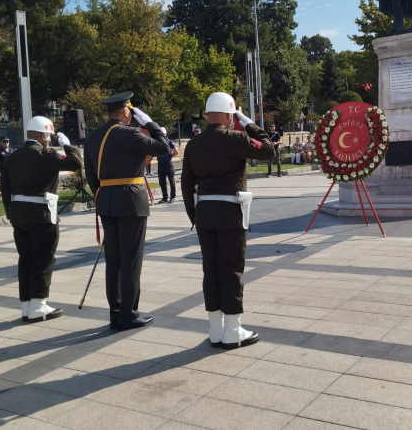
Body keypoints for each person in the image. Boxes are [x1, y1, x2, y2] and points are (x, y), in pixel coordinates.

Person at [181, 92, 275, 349]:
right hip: (230, 212)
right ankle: (233, 330)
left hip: (204, 213)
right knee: (231, 269)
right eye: (232, 116)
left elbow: (187, 183)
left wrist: (194, 215)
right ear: (227, 115)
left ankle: (215, 330)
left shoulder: (193, 144)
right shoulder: (235, 138)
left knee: (210, 270)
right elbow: (268, 150)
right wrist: (248, 123)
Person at [84, 92, 169, 331]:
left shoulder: (93, 136)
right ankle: (129, 314)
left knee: (114, 260)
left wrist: (104, 195)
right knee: (131, 259)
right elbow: (163, 147)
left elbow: (90, 174)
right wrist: (151, 124)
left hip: (106, 201)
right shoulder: (131, 133)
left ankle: (116, 313)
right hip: (131, 202)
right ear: (125, 112)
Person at [1, 116, 82, 323]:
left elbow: (5, 190)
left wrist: (11, 214)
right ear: (43, 135)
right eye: (49, 136)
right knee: (43, 259)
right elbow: (76, 163)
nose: (49, 140)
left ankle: (27, 306)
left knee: (25, 260)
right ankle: (38, 306)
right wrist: (68, 146)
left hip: (19, 215)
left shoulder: (12, 157)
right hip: (42, 215)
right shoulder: (45, 154)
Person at [156, 126, 178, 204]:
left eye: (163, 134)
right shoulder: (157, 143)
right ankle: (165, 197)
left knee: (171, 181)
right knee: (162, 182)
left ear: (165, 134)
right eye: (161, 134)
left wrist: (170, 156)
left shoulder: (169, 142)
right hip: (160, 164)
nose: (162, 135)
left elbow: (176, 151)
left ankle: (173, 197)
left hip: (168, 163)